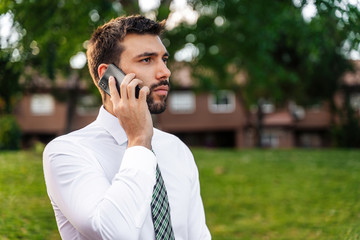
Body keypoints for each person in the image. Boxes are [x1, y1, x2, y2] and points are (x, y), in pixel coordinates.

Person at [43, 15, 211, 240]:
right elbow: (114, 233)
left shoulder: (177, 149)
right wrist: (139, 140)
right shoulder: (66, 151)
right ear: (108, 76)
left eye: (164, 59)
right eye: (147, 60)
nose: (165, 72)